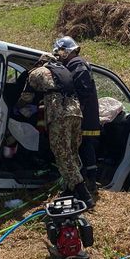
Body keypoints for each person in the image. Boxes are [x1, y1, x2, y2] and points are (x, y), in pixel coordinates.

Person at [25, 54, 94, 209]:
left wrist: (19, 106)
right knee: (72, 152)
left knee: (62, 154)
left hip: (59, 114)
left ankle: (84, 195)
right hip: (76, 113)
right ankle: (70, 192)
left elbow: (27, 96)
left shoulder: (37, 72)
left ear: (40, 62)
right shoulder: (64, 70)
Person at [53, 36, 101, 195]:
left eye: (59, 52)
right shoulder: (74, 64)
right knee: (82, 147)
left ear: (66, 51)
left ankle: (89, 181)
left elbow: (83, 91)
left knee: (85, 147)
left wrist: (74, 108)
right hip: (82, 115)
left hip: (84, 116)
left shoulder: (78, 65)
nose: (58, 56)